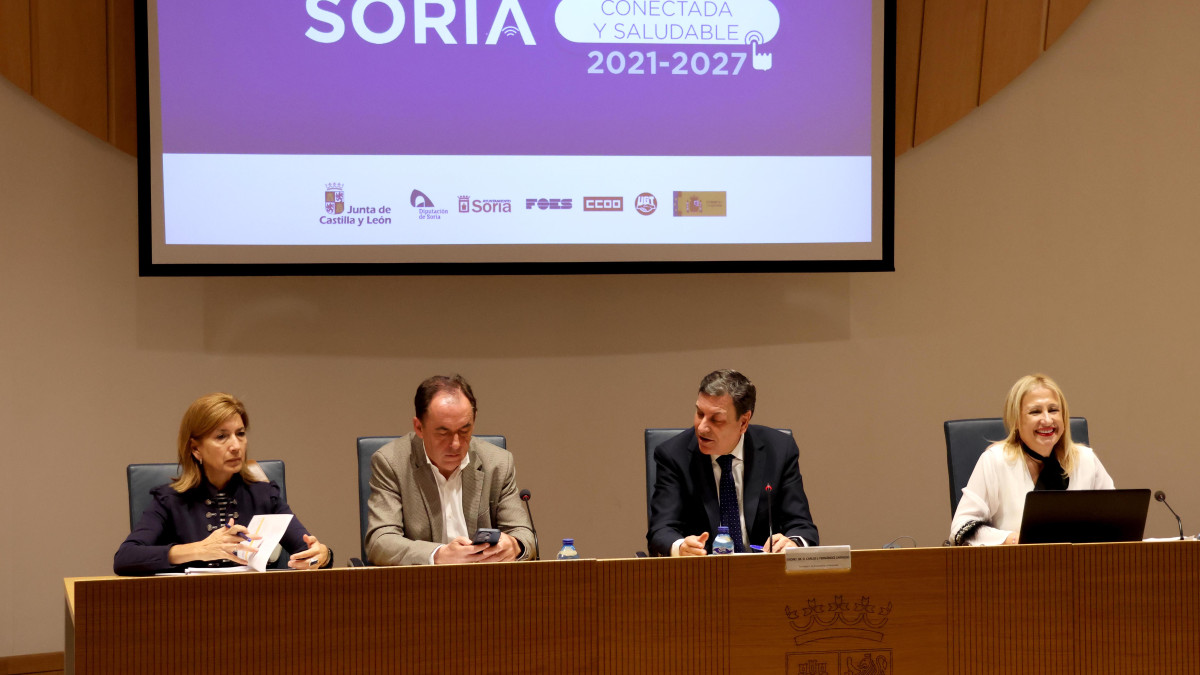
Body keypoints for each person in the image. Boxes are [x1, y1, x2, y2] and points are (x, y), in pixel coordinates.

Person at [114, 393, 332, 575]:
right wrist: (199, 550)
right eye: (221, 437)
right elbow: (125, 558)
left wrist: (322, 555)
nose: (236, 446)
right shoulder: (170, 501)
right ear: (195, 449)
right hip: (187, 610)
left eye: (240, 434)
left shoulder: (265, 496)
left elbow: (307, 550)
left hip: (257, 607)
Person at [365, 375, 536, 565]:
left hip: (485, 584)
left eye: (464, 430)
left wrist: (514, 545)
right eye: (443, 432)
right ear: (419, 427)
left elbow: (524, 535)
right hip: (421, 586)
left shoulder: (498, 463)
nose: (455, 445)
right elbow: (380, 541)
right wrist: (438, 555)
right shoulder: (391, 463)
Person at [647, 369, 819, 556]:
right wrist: (681, 547)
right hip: (702, 574)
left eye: (716, 419)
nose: (702, 427)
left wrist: (792, 544)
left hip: (764, 574)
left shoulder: (779, 450)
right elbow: (661, 530)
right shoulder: (673, 455)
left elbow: (802, 526)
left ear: (744, 422)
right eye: (699, 413)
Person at [949, 373, 1115, 546]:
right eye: (1035, 412)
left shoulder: (1086, 459)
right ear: (1017, 421)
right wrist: (1013, 539)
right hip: (1016, 567)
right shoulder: (995, 461)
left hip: (1081, 567)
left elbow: (1116, 521)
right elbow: (961, 527)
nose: (1047, 419)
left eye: (1053, 410)